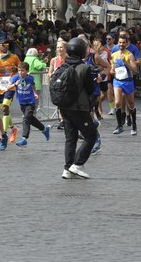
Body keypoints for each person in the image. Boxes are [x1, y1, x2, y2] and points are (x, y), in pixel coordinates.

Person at [57, 38, 97, 179]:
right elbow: (91, 89)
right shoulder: (84, 68)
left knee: (70, 139)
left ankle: (67, 169)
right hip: (79, 108)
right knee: (91, 135)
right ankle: (78, 164)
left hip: (64, 108)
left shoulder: (62, 66)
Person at [7, 61, 50, 147]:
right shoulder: (15, 78)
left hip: (30, 101)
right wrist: (15, 84)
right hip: (22, 102)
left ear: (27, 71)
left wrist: (35, 93)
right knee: (31, 119)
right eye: (19, 70)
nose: (20, 72)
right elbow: (8, 87)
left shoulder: (30, 78)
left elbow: (32, 85)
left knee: (26, 119)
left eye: (22, 70)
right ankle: (44, 129)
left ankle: (24, 138)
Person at [110, 35, 139, 135]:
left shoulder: (129, 55)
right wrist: (112, 70)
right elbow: (112, 67)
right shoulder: (114, 55)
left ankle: (134, 125)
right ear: (117, 43)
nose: (121, 44)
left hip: (128, 81)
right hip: (117, 81)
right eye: (120, 42)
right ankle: (119, 125)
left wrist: (126, 62)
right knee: (117, 102)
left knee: (131, 104)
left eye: (123, 43)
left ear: (126, 44)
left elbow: (135, 70)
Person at [0, 40, 21, 142]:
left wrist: (16, 70)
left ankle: (3, 134)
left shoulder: (14, 57)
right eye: (2, 45)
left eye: (6, 44)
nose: (5, 46)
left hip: (10, 86)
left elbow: (21, 68)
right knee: (4, 110)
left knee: (5, 107)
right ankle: (13, 128)